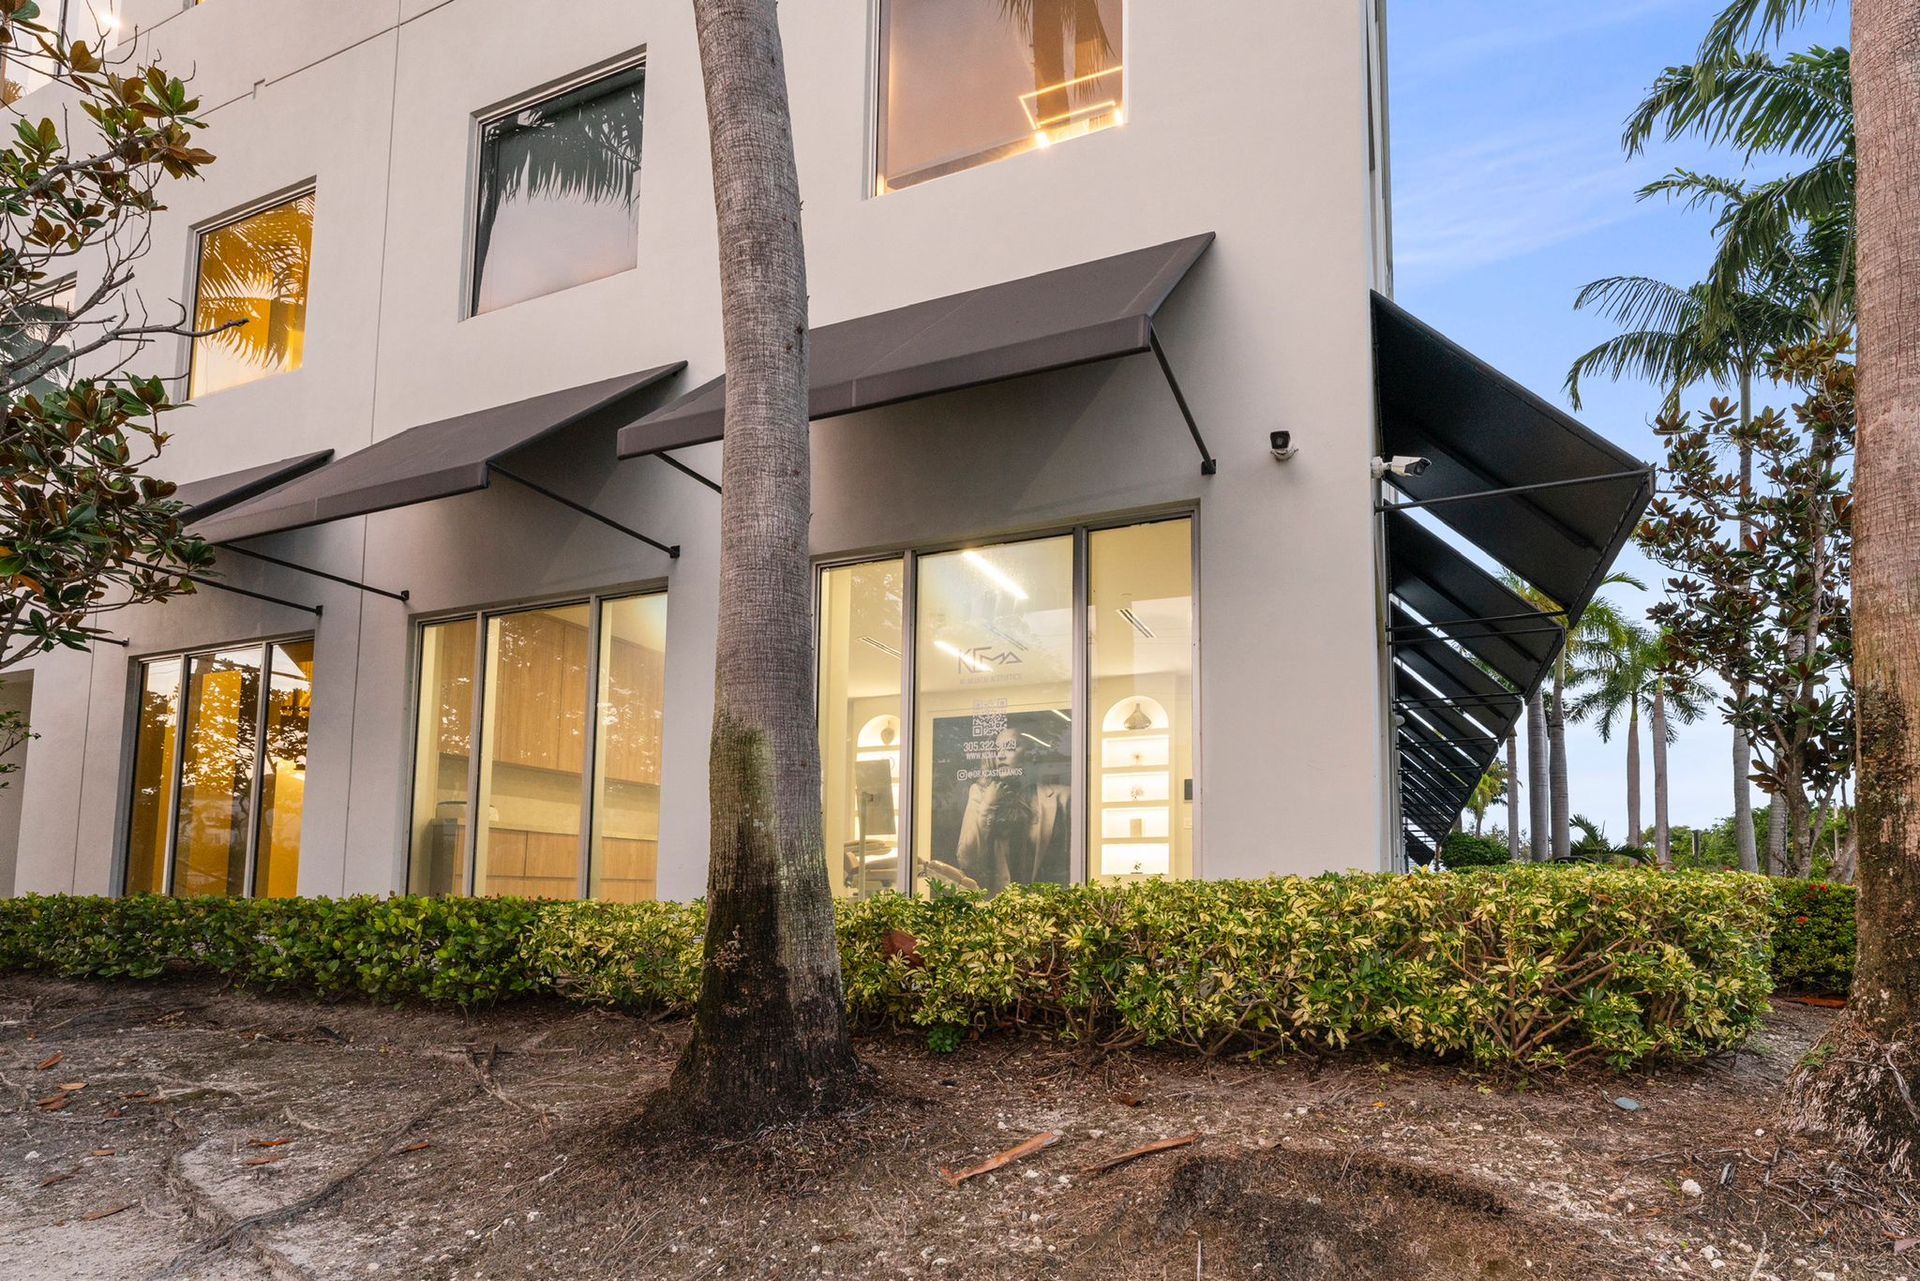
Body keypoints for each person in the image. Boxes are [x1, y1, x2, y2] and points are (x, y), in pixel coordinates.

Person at [953, 727, 1069, 891]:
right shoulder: (980, 792)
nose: (1000, 755)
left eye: (1010, 747)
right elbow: (966, 860)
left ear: (1030, 754)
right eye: (997, 750)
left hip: (1041, 904)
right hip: (995, 904)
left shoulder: (1059, 797)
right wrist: (988, 806)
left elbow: (1065, 862)